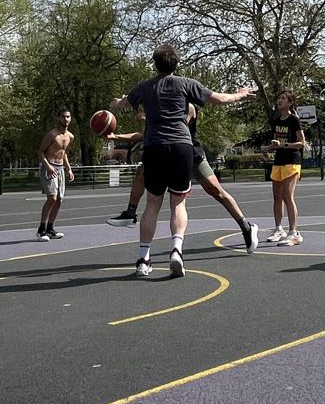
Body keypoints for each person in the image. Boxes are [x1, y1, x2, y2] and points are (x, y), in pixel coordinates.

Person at [111, 44, 254, 278]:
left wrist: (117, 104)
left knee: (153, 204)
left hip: (156, 147)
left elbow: (125, 102)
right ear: (176, 64)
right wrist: (240, 94)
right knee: (178, 203)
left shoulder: (145, 87)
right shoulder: (186, 84)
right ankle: (176, 250)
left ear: (155, 65)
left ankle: (143, 258)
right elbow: (219, 99)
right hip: (180, 147)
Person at [104, 107, 258, 252]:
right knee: (142, 172)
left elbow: (177, 127)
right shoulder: (161, 105)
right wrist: (116, 136)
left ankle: (246, 227)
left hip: (191, 153)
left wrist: (150, 117)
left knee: (216, 191)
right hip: (170, 154)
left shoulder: (188, 106)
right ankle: (130, 213)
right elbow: (145, 135)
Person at [264, 91, 305, 246]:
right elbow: (276, 144)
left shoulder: (294, 120)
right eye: (279, 98)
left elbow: (302, 143)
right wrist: (267, 148)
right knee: (277, 196)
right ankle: (278, 229)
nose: (279, 100)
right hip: (278, 161)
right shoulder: (276, 121)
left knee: (288, 195)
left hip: (292, 161)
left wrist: (284, 145)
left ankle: (294, 233)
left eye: (283, 98)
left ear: (290, 102)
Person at [36, 109, 75, 240]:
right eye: (63, 116)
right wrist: (48, 167)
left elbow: (63, 153)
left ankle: (50, 229)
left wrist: (69, 169)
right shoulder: (52, 135)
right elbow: (40, 151)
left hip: (60, 169)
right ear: (58, 118)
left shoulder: (70, 136)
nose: (65, 119)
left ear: (70, 119)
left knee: (59, 200)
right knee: (52, 198)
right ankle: (41, 230)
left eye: (68, 116)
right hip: (49, 168)